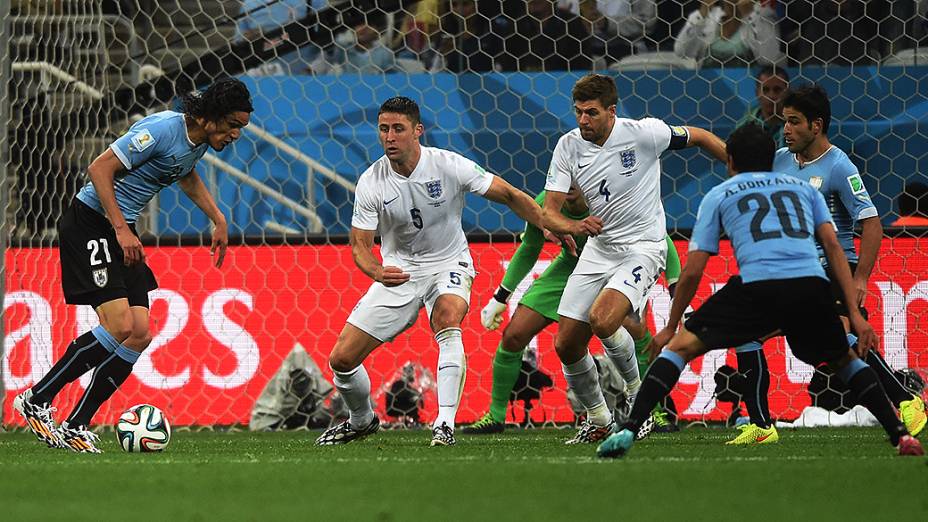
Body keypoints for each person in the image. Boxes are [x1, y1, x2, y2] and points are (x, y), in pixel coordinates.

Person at [597, 123, 924, 458]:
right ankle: (901, 436)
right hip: (810, 286)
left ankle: (628, 431)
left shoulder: (720, 194)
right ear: (772, 159)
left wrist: (671, 325)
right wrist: (855, 313)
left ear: (731, 161)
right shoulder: (804, 190)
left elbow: (694, 267)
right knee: (845, 358)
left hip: (758, 287)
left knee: (679, 348)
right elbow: (834, 247)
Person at [13, 78, 253, 453]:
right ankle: (37, 398)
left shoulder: (198, 143)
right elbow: (98, 168)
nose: (237, 134)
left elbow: (185, 174)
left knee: (139, 332)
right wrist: (123, 230)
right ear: (210, 119)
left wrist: (217, 218)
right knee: (120, 324)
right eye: (233, 126)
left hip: (122, 231)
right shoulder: (160, 129)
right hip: (92, 222)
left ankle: (76, 423)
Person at [314, 96, 544, 447]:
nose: (389, 137)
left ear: (418, 131)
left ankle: (445, 424)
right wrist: (377, 271)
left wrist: (548, 223)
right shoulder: (371, 182)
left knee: (448, 318)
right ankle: (361, 420)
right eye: (383, 129)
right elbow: (360, 245)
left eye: (398, 129)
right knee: (342, 360)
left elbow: (510, 195)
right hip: (399, 271)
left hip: (449, 263)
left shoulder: (449, 165)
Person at [725, 85, 926, 445]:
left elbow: (872, 222)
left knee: (840, 341)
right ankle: (761, 424)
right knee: (748, 335)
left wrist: (860, 277)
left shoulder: (838, 166)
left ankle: (907, 401)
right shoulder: (781, 159)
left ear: (816, 126)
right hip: (791, 270)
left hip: (834, 268)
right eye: (785, 121)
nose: (785, 129)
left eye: (794, 122)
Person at [540, 73, 726, 444]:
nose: (582, 121)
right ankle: (598, 418)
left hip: (643, 246)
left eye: (591, 113)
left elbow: (702, 137)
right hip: (599, 246)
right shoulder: (568, 146)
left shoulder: (645, 133)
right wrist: (573, 227)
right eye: (577, 112)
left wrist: (742, 173)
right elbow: (549, 212)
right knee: (566, 344)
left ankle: (639, 404)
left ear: (612, 111)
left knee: (603, 319)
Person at [462, 183, 681, 434]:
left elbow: (661, 239)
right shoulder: (546, 202)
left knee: (635, 329)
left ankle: (651, 413)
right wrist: (501, 297)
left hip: (616, 265)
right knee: (514, 334)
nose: (568, 185)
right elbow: (529, 249)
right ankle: (496, 415)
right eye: (562, 177)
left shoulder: (611, 196)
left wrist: (675, 287)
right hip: (570, 267)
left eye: (574, 176)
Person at [674, 0, 783, 68]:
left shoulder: (763, 15)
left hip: (747, 89)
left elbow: (770, 58)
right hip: (709, 84)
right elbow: (682, 52)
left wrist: (751, 15)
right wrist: (702, 14)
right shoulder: (709, 16)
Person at [736, 65, 789, 148]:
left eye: (777, 90)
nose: (771, 96)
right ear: (757, 93)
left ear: (787, 92)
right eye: (765, 90)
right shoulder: (745, 126)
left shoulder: (797, 126)